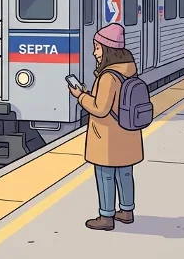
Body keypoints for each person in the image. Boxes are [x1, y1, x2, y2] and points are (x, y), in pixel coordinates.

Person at [68, 23, 143, 231]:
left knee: (105, 174)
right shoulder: (128, 70)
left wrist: (80, 96)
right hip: (127, 133)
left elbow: (100, 109)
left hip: (107, 136)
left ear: (107, 50)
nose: (94, 52)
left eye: (97, 47)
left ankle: (106, 216)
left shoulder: (108, 76)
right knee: (125, 173)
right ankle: (127, 211)